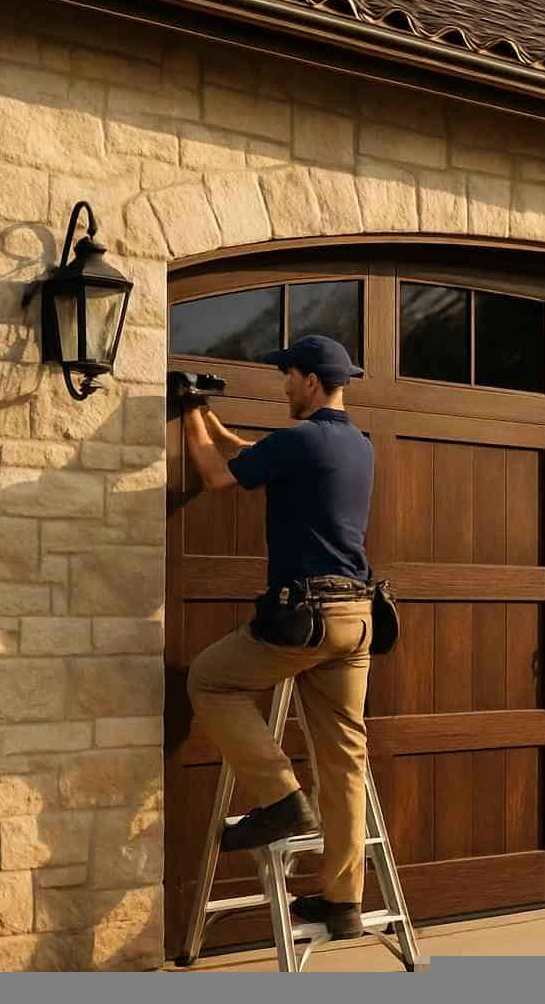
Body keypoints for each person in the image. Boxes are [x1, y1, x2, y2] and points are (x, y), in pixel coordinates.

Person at [179, 334, 376, 941]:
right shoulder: (356, 447)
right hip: (358, 618)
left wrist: (185, 409)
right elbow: (252, 457)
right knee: (344, 759)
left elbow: (215, 475)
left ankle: (281, 797)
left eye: (287, 377)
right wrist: (209, 417)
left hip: (306, 616)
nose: (282, 387)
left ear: (311, 381)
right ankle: (343, 901)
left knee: (209, 679)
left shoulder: (298, 441)